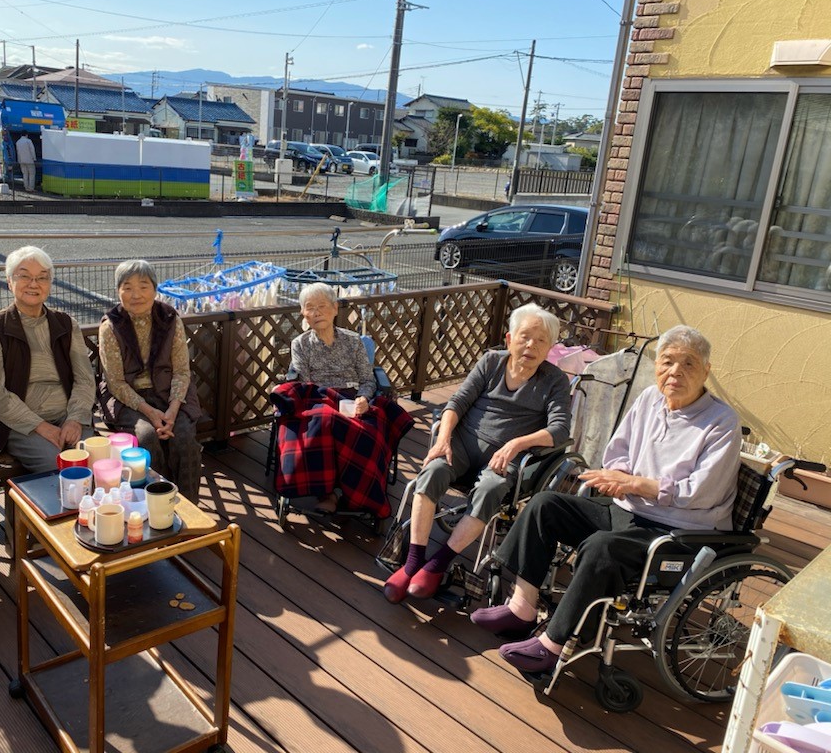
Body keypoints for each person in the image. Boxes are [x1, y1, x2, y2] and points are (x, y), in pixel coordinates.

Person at [477, 325, 741, 677]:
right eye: (667, 362)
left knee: (602, 548)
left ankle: (554, 645)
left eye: (688, 364)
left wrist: (636, 483)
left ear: (707, 371)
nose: (675, 372)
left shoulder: (722, 423)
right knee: (544, 506)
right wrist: (617, 479)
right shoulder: (650, 398)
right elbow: (618, 451)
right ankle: (521, 609)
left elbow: (699, 491)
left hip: (678, 531)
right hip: (629, 510)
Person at [383, 303, 570, 604]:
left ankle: (437, 565)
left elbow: (560, 430)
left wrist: (516, 444)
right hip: (463, 444)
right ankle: (413, 562)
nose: (531, 345)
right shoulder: (491, 362)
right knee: (432, 471)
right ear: (510, 339)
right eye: (525, 337)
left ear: (549, 348)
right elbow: (456, 403)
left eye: (541, 340)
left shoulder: (555, 381)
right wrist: (443, 439)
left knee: (491, 488)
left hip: (503, 460)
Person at [271, 283, 414, 517]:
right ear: (303, 313)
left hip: (352, 398)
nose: (316, 313)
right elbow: (304, 386)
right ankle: (328, 493)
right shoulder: (300, 344)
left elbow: (368, 380)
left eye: (322, 306)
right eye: (310, 308)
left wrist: (364, 398)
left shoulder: (353, 341)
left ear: (335, 309)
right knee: (321, 421)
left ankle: (349, 492)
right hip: (319, 399)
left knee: (370, 433)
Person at [0, 246, 96, 475]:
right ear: (9, 281)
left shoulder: (66, 324)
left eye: (42, 277)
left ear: (50, 284)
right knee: (56, 464)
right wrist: (39, 426)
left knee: (95, 458)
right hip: (20, 424)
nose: (34, 283)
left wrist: (75, 419)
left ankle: (96, 511)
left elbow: (85, 379)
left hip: (66, 415)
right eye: (24, 276)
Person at [98, 260, 203, 502]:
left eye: (143, 286)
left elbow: (181, 371)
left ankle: (190, 507)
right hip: (128, 399)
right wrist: (151, 413)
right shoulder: (111, 326)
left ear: (155, 289)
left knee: (184, 436)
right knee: (146, 437)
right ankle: (157, 506)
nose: (136, 294)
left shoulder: (170, 318)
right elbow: (116, 383)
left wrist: (173, 410)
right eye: (127, 287)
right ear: (118, 292)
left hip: (169, 393)